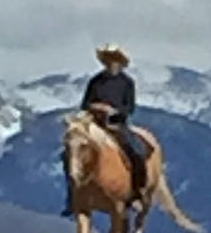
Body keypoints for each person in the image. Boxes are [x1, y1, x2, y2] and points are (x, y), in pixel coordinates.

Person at [63, 44, 150, 215]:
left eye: (114, 59)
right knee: (70, 154)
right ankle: (73, 196)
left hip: (117, 124)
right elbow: (85, 104)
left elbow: (129, 107)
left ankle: (136, 192)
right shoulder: (95, 81)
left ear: (120, 62)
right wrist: (96, 107)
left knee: (136, 151)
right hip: (94, 124)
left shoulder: (127, 83)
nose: (111, 63)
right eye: (109, 59)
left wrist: (115, 112)